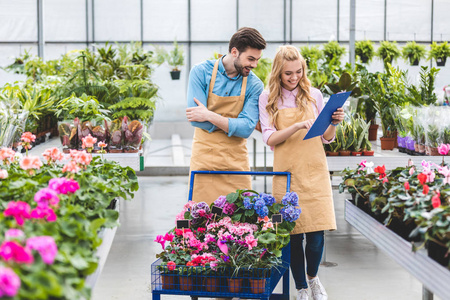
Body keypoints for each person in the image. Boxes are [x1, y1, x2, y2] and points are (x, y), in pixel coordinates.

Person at [258, 45, 344, 300]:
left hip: (314, 169)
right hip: (287, 173)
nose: (294, 78)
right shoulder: (268, 98)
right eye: (288, 74)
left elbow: (327, 138)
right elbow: (270, 138)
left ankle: (313, 278)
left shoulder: (314, 95)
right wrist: (296, 125)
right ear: (278, 73)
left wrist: (333, 123)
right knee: (293, 236)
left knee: (316, 234)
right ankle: (301, 288)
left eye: (298, 72)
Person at [186, 27, 266, 205]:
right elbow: (196, 120)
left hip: (236, 164)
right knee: (202, 221)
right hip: (204, 160)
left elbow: (246, 128)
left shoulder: (255, 85)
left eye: (257, 60)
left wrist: (209, 115)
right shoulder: (200, 72)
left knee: (242, 223)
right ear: (234, 52)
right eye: (250, 59)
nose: (254, 65)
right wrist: (232, 125)